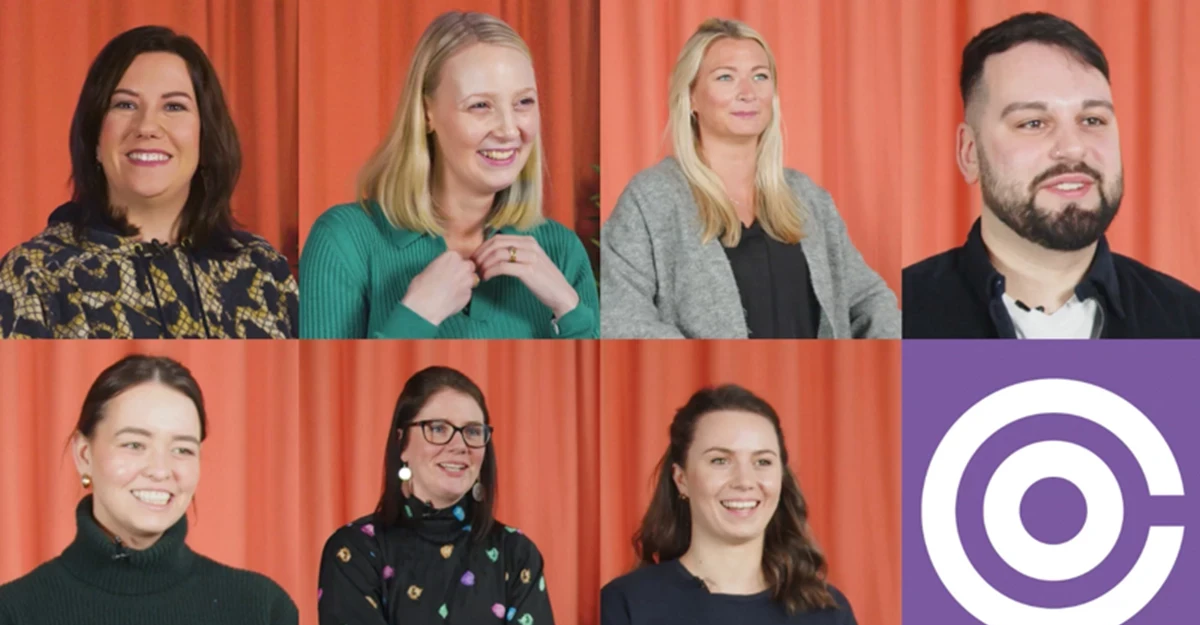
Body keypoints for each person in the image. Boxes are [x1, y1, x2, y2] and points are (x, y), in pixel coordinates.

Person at [300, 11, 598, 339]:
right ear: (427, 113)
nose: (510, 129)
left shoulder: (562, 249)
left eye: (523, 102)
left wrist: (567, 304)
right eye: (480, 106)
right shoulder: (343, 241)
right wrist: (417, 315)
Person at [903, 12, 1200, 338]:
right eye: (1033, 123)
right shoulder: (897, 316)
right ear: (970, 153)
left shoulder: (1188, 323)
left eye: (1092, 120)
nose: (1073, 148)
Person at [600, 18, 898, 339]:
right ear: (692, 98)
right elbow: (622, 319)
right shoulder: (649, 199)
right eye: (726, 77)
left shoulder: (808, 197)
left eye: (760, 76)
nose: (748, 93)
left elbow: (868, 298)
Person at [0, 355, 299, 625]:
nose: (160, 470)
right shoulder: (12, 615)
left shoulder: (263, 609)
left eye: (182, 449)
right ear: (84, 455)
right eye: (133, 445)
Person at [0, 26, 298, 339]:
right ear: (96, 140)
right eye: (125, 105)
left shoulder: (262, 268)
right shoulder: (32, 276)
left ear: (205, 137)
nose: (147, 127)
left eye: (174, 106)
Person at [600, 385, 868, 625]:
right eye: (720, 461)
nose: (744, 480)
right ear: (681, 479)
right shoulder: (626, 606)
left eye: (762, 462)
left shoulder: (830, 614)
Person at [317, 366, 557, 625]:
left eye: (472, 431)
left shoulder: (517, 553)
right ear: (402, 443)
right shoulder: (355, 550)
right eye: (439, 428)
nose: (460, 446)